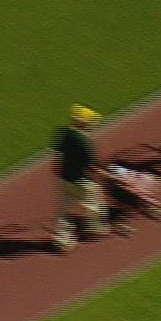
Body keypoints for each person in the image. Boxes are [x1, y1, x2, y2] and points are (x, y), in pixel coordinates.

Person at [53, 105, 110, 251]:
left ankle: (62, 239)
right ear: (85, 123)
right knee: (94, 202)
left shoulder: (64, 133)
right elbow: (92, 165)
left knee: (64, 209)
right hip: (81, 180)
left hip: (65, 178)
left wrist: (58, 168)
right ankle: (94, 227)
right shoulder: (85, 142)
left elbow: (58, 154)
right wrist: (107, 174)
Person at [99, 161, 161, 232]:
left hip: (120, 183)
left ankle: (111, 220)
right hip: (120, 176)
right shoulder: (149, 185)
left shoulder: (133, 202)